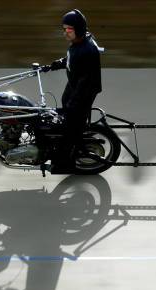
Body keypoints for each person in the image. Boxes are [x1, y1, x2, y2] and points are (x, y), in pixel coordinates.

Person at [41, 9, 103, 173]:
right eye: (64, 29)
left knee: (70, 126)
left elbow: (86, 83)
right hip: (75, 85)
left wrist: (74, 104)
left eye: (69, 29)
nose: (65, 33)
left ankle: (65, 163)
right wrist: (53, 65)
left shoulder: (88, 50)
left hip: (84, 91)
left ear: (79, 29)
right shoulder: (78, 44)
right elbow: (70, 60)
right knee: (62, 113)